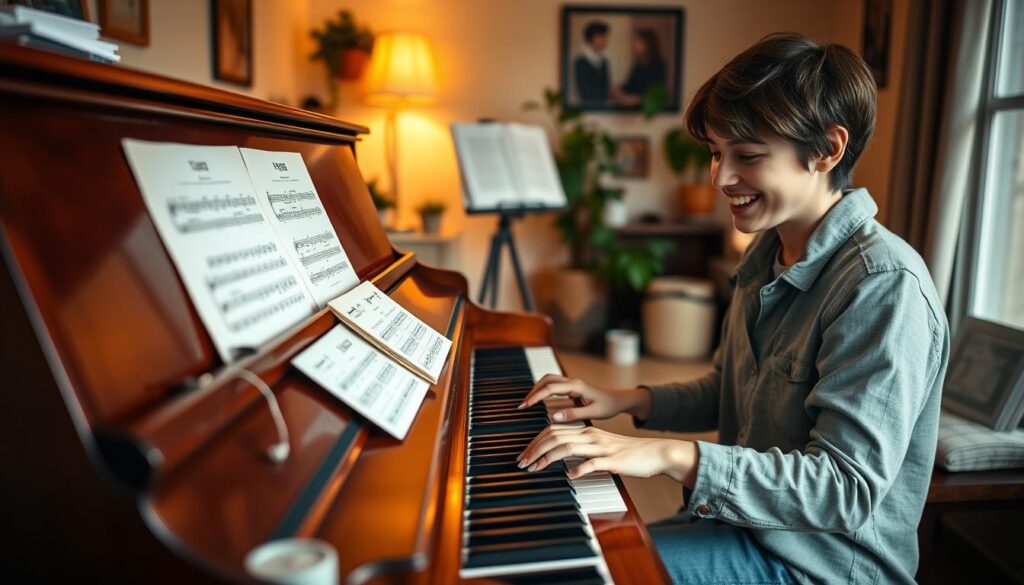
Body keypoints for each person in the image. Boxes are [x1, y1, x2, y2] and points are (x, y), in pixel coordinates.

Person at [517, 33, 949, 585]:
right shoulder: (766, 252)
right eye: (717, 153)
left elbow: (844, 489)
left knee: (585, 573)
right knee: (571, 548)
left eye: (747, 155)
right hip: (741, 526)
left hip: (821, 566)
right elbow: (729, 390)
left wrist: (669, 457)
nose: (719, 177)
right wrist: (623, 399)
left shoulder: (883, 286)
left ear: (826, 150)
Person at [612, 28, 667, 107]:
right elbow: (630, 86)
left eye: (638, 42)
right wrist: (618, 90)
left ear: (648, 44)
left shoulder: (659, 66)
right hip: (631, 111)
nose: (635, 45)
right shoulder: (638, 65)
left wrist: (637, 99)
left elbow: (657, 93)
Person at [574, 21, 610, 105]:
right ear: (593, 38)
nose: (605, 40)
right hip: (587, 108)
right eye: (602, 36)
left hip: (603, 107)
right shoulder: (580, 61)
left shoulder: (604, 61)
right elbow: (584, 91)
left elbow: (606, 86)